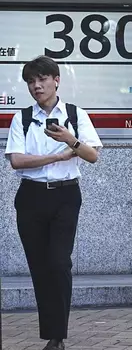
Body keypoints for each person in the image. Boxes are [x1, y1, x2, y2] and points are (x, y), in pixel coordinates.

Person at [5, 56, 102, 350]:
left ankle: (58, 335)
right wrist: (57, 156)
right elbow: (17, 161)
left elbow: (93, 155)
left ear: (56, 80)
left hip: (65, 195)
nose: (37, 86)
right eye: (31, 82)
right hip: (31, 196)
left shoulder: (75, 114)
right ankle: (52, 334)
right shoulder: (22, 118)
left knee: (59, 263)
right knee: (40, 266)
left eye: (42, 79)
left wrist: (71, 140)